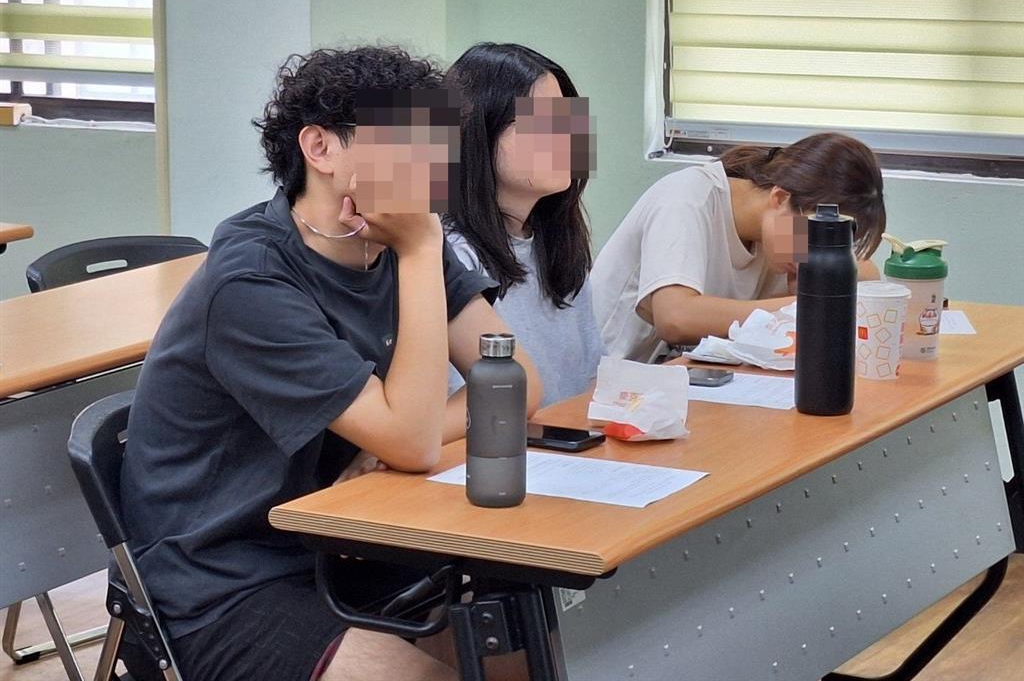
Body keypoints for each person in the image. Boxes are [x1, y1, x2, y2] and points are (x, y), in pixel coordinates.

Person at [119, 46, 541, 681]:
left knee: (522, 636)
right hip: (227, 579)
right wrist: (419, 254)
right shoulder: (253, 279)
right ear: (319, 148)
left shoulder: (400, 238)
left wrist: (388, 444)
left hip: (351, 536)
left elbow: (515, 381)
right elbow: (414, 443)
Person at [592, 132, 886, 362]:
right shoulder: (687, 200)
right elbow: (675, 318)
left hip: (680, 380)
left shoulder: (780, 233)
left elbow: (868, 274)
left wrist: (820, 281)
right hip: (608, 382)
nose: (814, 254)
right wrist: (804, 304)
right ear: (780, 198)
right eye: (814, 237)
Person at [443, 42, 604, 406]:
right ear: (476, 133)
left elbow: (591, 381)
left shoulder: (559, 244)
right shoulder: (452, 256)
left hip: (570, 436)